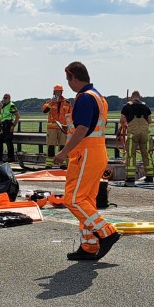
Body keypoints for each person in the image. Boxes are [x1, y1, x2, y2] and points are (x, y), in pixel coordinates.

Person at [51, 62, 120, 262]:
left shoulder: (84, 98)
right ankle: (89, 246)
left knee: (73, 200)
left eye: (68, 80)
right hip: (96, 151)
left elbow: (82, 129)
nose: (69, 85)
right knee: (86, 201)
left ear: (73, 77)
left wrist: (63, 152)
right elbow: (88, 128)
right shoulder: (98, 97)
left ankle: (107, 233)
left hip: (86, 154)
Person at [119, 90, 154, 184]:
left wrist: (126, 124)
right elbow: (150, 121)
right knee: (147, 154)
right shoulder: (146, 106)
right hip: (144, 134)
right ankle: (150, 176)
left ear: (131, 97)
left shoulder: (126, 106)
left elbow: (122, 120)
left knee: (131, 155)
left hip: (133, 133)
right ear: (140, 97)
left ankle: (130, 177)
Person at [42, 84, 71, 161]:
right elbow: (44, 110)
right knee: (51, 146)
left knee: (63, 146)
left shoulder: (67, 103)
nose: (58, 93)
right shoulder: (49, 102)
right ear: (54, 92)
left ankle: (62, 163)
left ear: (61, 92)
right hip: (52, 128)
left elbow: (71, 116)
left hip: (63, 128)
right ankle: (49, 164)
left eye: (59, 92)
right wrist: (52, 103)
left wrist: (70, 127)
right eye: (56, 92)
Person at [0, 93, 21, 165]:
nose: (5, 99)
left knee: (8, 141)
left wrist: (13, 125)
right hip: (3, 125)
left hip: (8, 124)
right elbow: (3, 117)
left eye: (6, 98)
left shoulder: (11, 105)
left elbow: (18, 116)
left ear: (9, 98)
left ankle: (11, 157)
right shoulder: (4, 106)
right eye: (4, 98)